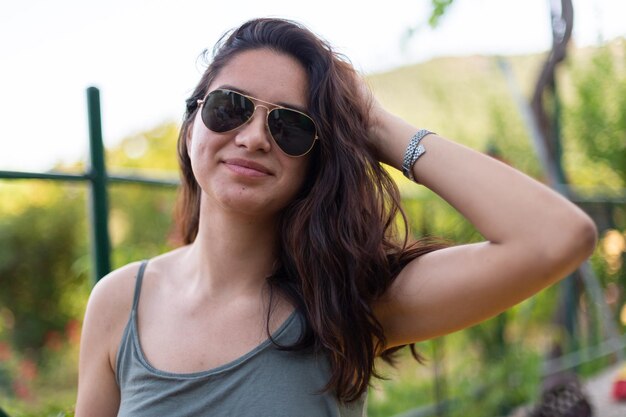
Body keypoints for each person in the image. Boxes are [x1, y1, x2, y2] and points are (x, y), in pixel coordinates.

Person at [74, 17, 597, 417]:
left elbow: (558, 236)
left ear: (314, 163)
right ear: (192, 128)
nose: (254, 136)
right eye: (230, 107)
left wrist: (376, 123)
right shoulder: (120, 302)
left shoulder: (347, 301)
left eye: (292, 126)